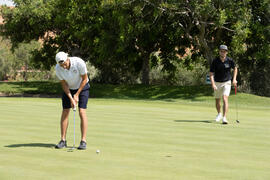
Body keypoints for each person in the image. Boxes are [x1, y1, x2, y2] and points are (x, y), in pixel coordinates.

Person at [54, 51, 90, 149]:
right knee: (65, 111)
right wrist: (71, 97)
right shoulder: (58, 68)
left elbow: (84, 79)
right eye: (61, 65)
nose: (63, 66)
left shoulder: (79, 62)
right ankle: (63, 140)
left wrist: (77, 94)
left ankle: (83, 141)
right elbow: (64, 84)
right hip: (69, 88)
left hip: (82, 87)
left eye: (64, 64)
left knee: (82, 111)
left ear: (67, 59)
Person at [210, 45, 237, 124]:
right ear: (219, 52)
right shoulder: (215, 61)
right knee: (217, 100)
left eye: (224, 51)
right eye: (221, 51)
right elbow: (211, 73)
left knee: (225, 98)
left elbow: (235, 68)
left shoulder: (229, 60)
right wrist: (213, 84)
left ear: (226, 52)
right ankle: (219, 114)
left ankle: (224, 118)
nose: (223, 52)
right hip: (217, 82)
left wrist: (234, 79)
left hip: (227, 82)